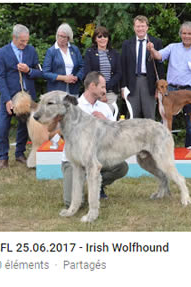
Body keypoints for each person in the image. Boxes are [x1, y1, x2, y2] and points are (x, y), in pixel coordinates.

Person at [61, 71, 129, 206]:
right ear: (92, 86)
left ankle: (96, 185)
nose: (105, 91)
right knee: (72, 203)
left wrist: (105, 121)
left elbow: (116, 135)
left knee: (121, 167)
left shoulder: (105, 108)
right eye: (102, 87)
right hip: (74, 161)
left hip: (98, 158)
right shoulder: (73, 107)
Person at [147, 21, 191, 147]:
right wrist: (152, 49)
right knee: (165, 119)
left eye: (190, 34)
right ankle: (164, 148)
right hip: (171, 90)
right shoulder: (172, 47)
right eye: (184, 33)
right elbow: (159, 56)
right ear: (181, 34)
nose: (187, 36)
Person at [0, 24, 43, 169]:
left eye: (26, 41)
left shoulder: (31, 51)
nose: (25, 44)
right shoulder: (1, 53)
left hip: (28, 97)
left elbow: (39, 72)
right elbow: (0, 77)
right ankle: (3, 158)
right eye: (22, 41)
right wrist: (7, 100)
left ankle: (20, 154)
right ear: (14, 38)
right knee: (3, 127)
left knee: (25, 126)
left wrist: (29, 70)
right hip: (9, 97)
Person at [121, 15, 164, 119]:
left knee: (149, 116)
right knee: (132, 116)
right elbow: (123, 66)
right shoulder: (127, 44)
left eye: (142, 26)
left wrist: (159, 88)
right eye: (138, 26)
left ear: (147, 27)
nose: (140, 29)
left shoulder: (156, 42)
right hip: (132, 84)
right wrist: (123, 87)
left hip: (149, 84)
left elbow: (160, 66)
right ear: (134, 27)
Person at [84, 26, 121, 111]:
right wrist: (99, 89)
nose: (102, 39)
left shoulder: (115, 53)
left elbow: (119, 73)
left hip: (110, 93)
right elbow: (88, 73)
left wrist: (105, 88)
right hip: (94, 93)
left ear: (108, 39)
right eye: (99, 36)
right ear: (95, 39)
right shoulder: (89, 53)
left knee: (108, 120)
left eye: (105, 36)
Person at [42, 23, 84, 97]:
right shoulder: (51, 51)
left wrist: (76, 77)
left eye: (64, 37)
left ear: (69, 38)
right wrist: (64, 78)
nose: (61, 39)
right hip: (56, 91)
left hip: (73, 89)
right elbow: (45, 73)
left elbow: (82, 67)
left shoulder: (75, 49)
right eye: (59, 36)